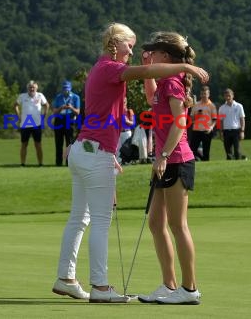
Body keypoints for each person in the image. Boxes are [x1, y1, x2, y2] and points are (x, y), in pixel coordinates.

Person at [52, 23, 209, 304]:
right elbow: (149, 80)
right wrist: (185, 68)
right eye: (132, 45)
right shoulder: (111, 68)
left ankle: (186, 288)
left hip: (122, 153)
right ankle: (106, 287)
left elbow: (175, 118)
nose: (138, 52)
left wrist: (123, 154)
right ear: (116, 43)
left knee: (87, 219)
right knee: (118, 221)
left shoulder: (110, 69)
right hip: (100, 151)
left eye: (147, 50)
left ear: (166, 55)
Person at [137, 31, 201, 305]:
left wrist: (162, 155)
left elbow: (181, 122)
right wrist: (147, 72)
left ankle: (189, 290)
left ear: (167, 56)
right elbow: (152, 98)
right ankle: (169, 285)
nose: (152, 56)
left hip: (177, 160)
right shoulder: (163, 83)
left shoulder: (174, 83)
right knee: (156, 223)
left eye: (155, 52)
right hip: (165, 161)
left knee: (178, 225)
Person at [14, 80, 49, 167]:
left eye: (33, 87)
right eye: (30, 87)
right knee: (24, 144)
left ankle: (40, 163)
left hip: (36, 124)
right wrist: (18, 116)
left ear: (36, 88)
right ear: (27, 88)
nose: (32, 89)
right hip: (25, 124)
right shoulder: (22, 96)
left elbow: (46, 105)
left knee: (38, 144)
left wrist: (44, 115)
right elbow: (15, 105)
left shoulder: (40, 95)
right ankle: (22, 163)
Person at [52, 80, 80, 166]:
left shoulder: (75, 97)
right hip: (59, 119)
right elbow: (54, 111)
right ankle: (58, 163)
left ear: (70, 88)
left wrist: (71, 108)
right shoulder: (58, 97)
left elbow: (77, 112)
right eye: (64, 88)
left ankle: (69, 162)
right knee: (58, 142)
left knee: (69, 142)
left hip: (70, 119)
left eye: (67, 88)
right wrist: (61, 107)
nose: (66, 90)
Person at [189, 86, 218, 161]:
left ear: (208, 94)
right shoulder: (196, 104)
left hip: (207, 130)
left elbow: (214, 119)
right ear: (200, 95)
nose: (203, 95)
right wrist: (197, 116)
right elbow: (191, 118)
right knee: (192, 149)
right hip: (196, 130)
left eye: (205, 94)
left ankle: (205, 162)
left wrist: (211, 127)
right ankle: (196, 160)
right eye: (202, 94)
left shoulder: (212, 106)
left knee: (206, 150)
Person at [218, 88, 246, 160]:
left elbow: (242, 119)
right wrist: (220, 132)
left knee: (237, 151)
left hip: (236, 131)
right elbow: (220, 121)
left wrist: (242, 131)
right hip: (226, 132)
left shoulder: (239, 106)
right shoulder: (222, 108)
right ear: (224, 97)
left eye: (229, 96)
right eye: (226, 96)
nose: (228, 97)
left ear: (232, 96)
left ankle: (240, 160)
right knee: (228, 153)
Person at [116, 97, 135, 163]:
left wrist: (127, 121)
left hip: (127, 132)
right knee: (118, 149)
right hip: (118, 133)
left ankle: (127, 161)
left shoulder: (129, 111)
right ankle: (119, 162)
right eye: (122, 102)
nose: (123, 103)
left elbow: (133, 123)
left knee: (127, 148)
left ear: (126, 102)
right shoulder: (118, 111)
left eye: (124, 102)